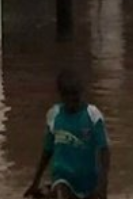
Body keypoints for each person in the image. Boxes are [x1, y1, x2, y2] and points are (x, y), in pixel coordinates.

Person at [25, 70, 111, 199]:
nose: (73, 103)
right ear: (61, 96)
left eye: (76, 98)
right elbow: (47, 152)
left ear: (82, 93)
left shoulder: (93, 116)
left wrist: (103, 184)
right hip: (62, 177)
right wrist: (35, 182)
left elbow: (104, 150)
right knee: (61, 191)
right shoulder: (54, 116)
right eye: (68, 98)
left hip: (88, 181)